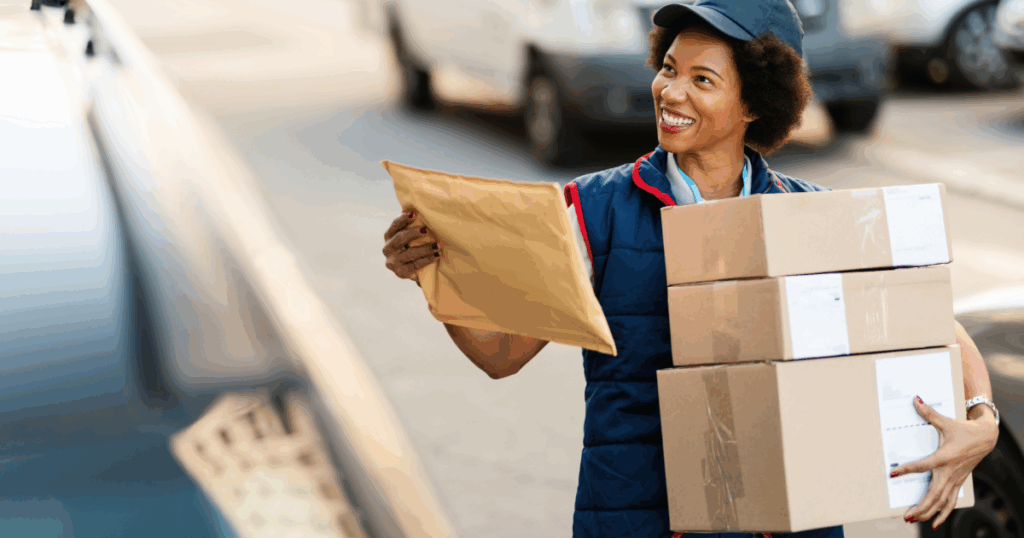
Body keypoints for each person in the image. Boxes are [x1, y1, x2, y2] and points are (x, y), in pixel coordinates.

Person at [381, 0, 1000, 536]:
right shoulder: (592, 211)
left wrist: (982, 419)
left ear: (754, 103)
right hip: (634, 518)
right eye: (669, 69)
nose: (671, 92)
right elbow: (501, 354)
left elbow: (934, 324)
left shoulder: (809, 216)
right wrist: (433, 277)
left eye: (702, 80)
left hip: (784, 527)